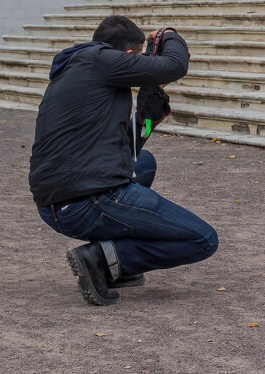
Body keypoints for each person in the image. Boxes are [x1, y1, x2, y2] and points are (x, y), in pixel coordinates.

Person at [29, 16, 218, 306]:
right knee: (203, 239)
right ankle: (102, 260)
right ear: (128, 56)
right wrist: (168, 34)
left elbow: (128, 152)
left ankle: (122, 267)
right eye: (139, 60)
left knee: (145, 162)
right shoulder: (101, 61)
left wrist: (147, 114)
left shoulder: (81, 69)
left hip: (57, 203)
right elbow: (175, 65)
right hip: (85, 202)